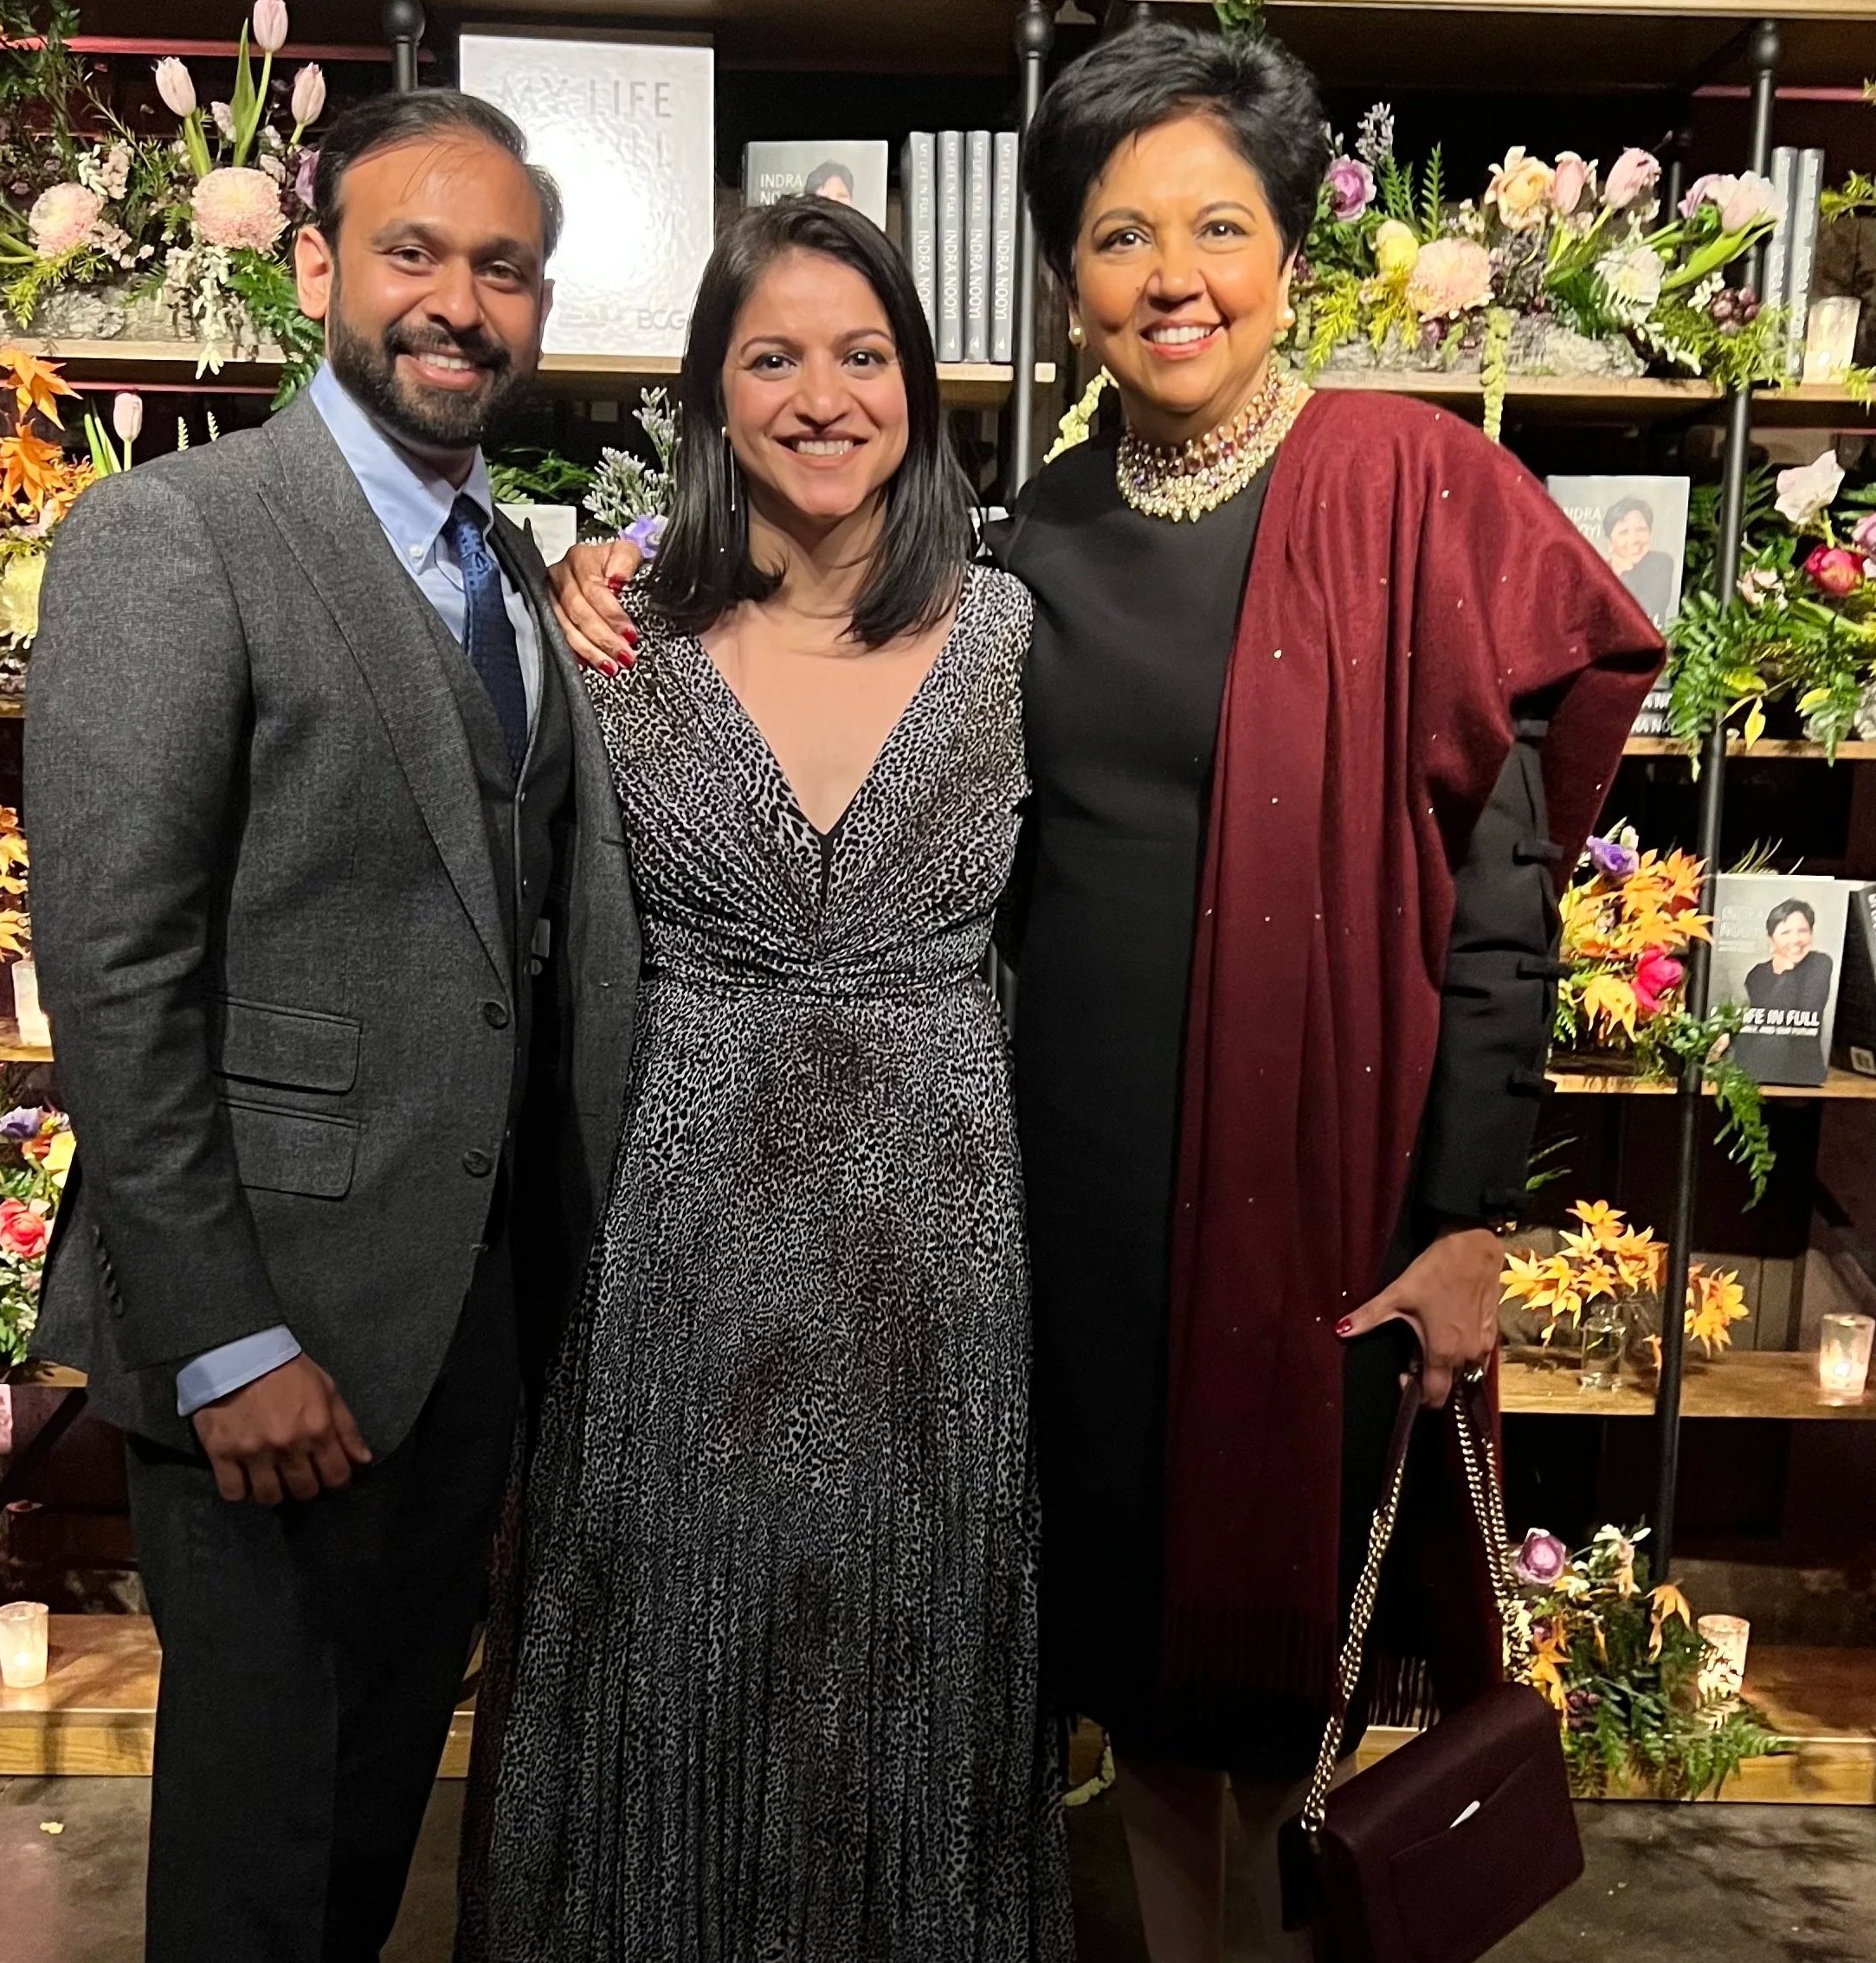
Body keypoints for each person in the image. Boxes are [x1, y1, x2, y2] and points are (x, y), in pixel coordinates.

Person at [550, 28, 1661, 1960]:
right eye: (1121, 235)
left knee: (1284, 1659)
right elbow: (829, 681)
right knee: (1133, 1655)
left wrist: (1469, 1215)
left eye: (1216, 226)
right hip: (1060, 1206)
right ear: (1065, 277)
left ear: (1291, 246)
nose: (1173, 277)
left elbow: (1505, 897)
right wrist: (605, 569)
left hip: (1318, 1196)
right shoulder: (1033, 543)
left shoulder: (1404, 489)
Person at [25, 89, 639, 1963]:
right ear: (314, 269)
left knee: (367, 1828)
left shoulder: (514, 573)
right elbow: (114, 968)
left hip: (464, 1335)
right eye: (412, 253)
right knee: (260, 1861)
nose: (458, 301)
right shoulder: (174, 534)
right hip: (269, 1338)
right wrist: (223, 1340)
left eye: (503, 267)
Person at [458, 195, 1071, 1961]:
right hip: (675, 1248)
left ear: (917, 386)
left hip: (937, 1259)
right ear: (713, 398)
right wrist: (579, 572)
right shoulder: (616, 638)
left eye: (862, 354)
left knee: (921, 1646)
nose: (821, 396)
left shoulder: (1018, 639)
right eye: (773, 356)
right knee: (666, 1638)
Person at [1732, 897, 1834, 1084]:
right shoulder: (1757, 973)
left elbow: (1804, 1012)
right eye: (1786, 932)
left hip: (1802, 1070)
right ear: (1771, 940)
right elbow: (1765, 1019)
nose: (1796, 940)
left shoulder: (1820, 963)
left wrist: (1788, 968)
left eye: (1803, 931)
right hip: (1757, 1064)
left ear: (1812, 934)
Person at [1603, 493, 1676, 626]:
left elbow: (1646, 610)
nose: (1634, 539)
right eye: (1623, 532)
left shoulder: (1661, 564)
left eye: (1641, 530)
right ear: (1610, 540)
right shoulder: (1597, 572)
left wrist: (1625, 570)